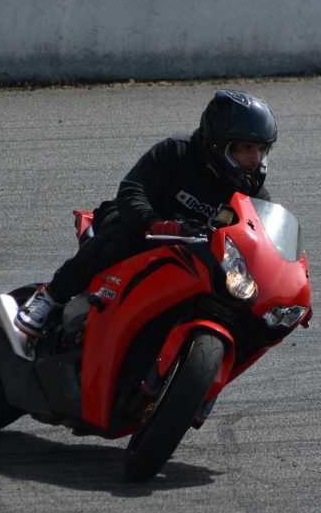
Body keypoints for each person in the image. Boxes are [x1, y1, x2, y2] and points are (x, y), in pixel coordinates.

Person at [15, 89, 278, 335]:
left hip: (194, 255)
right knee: (121, 237)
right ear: (218, 143)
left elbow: (263, 240)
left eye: (261, 149)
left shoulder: (252, 193)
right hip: (141, 229)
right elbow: (132, 191)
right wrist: (154, 224)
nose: (255, 159)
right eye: (245, 148)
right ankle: (48, 298)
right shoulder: (176, 152)